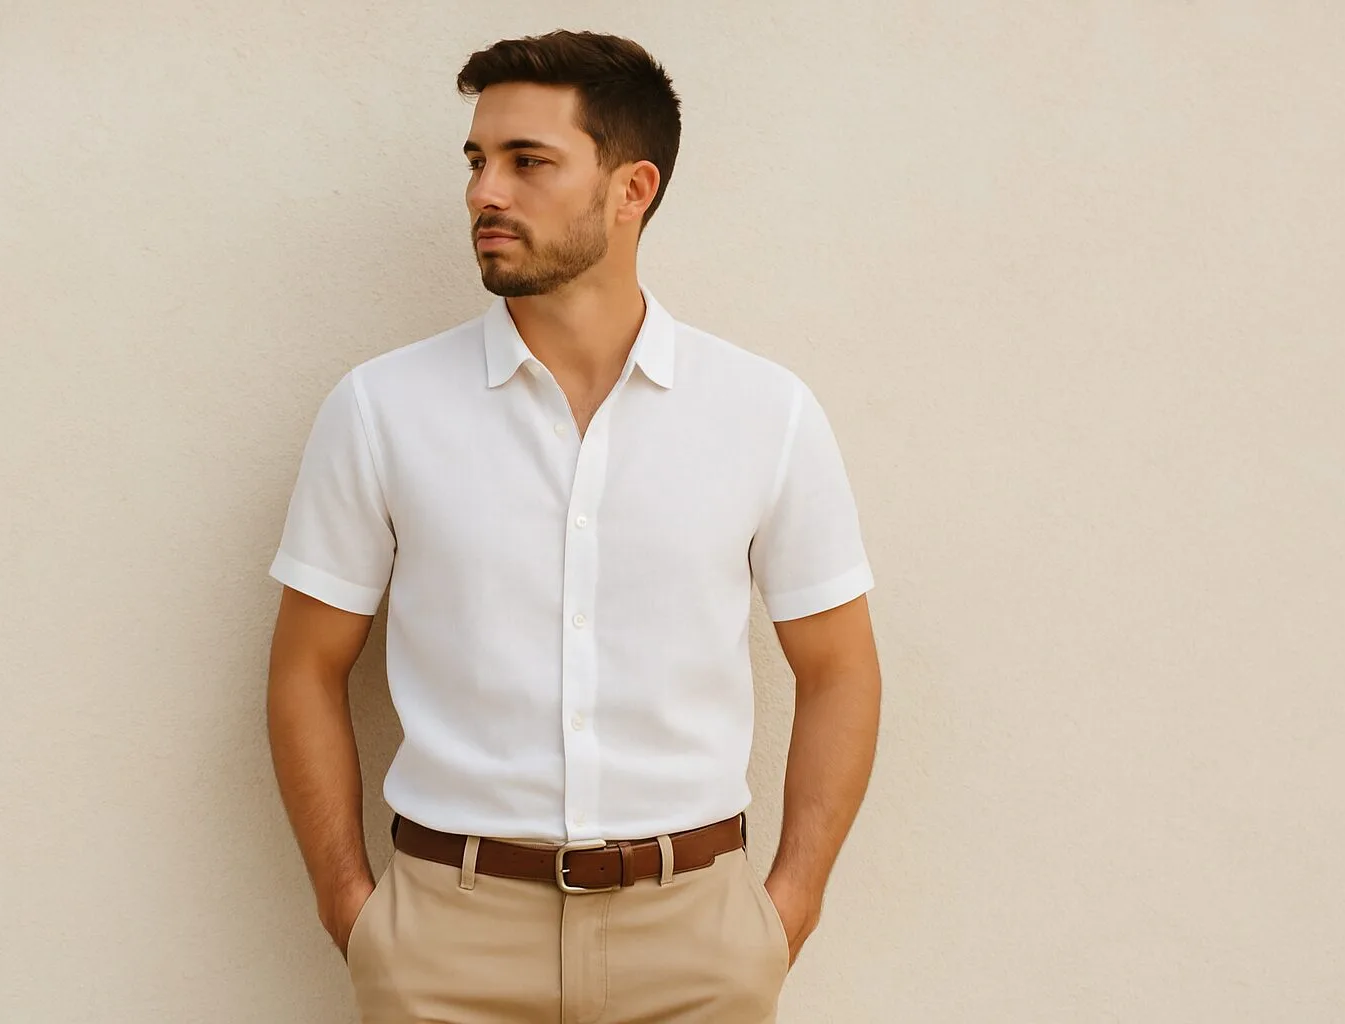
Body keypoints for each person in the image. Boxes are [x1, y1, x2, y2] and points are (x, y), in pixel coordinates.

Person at [265, 27, 882, 1024]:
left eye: (527, 161)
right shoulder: (382, 409)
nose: (483, 193)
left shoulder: (765, 413)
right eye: (475, 160)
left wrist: (785, 909)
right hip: (443, 944)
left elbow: (842, 667)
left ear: (632, 188)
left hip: (695, 946)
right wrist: (354, 908)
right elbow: (303, 664)